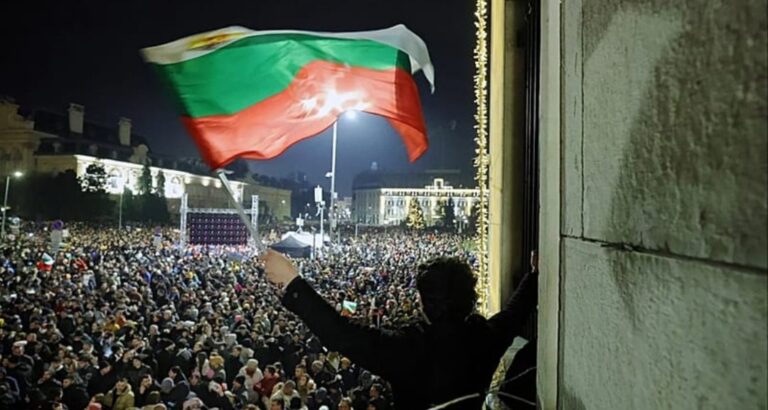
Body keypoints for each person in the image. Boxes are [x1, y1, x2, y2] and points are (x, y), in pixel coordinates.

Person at [262, 250, 538, 409]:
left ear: (424, 301)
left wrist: (293, 281)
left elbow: (341, 334)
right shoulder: (484, 338)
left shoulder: (408, 348)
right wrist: (534, 277)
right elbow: (514, 314)